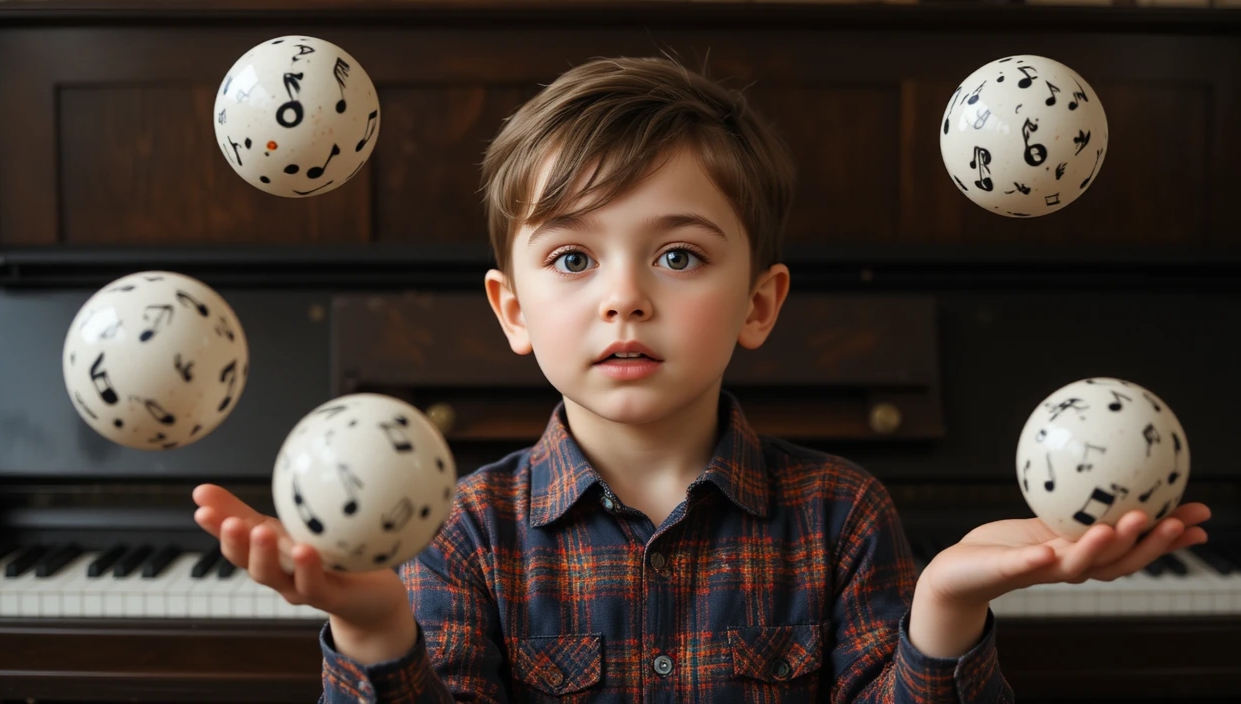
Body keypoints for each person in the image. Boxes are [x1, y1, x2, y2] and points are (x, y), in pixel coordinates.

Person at [192, 56, 1211, 703]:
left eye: (677, 255)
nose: (623, 298)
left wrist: (942, 605)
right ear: (512, 310)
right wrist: (374, 629)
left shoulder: (844, 516)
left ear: (759, 304)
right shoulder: (460, 531)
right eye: (572, 258)